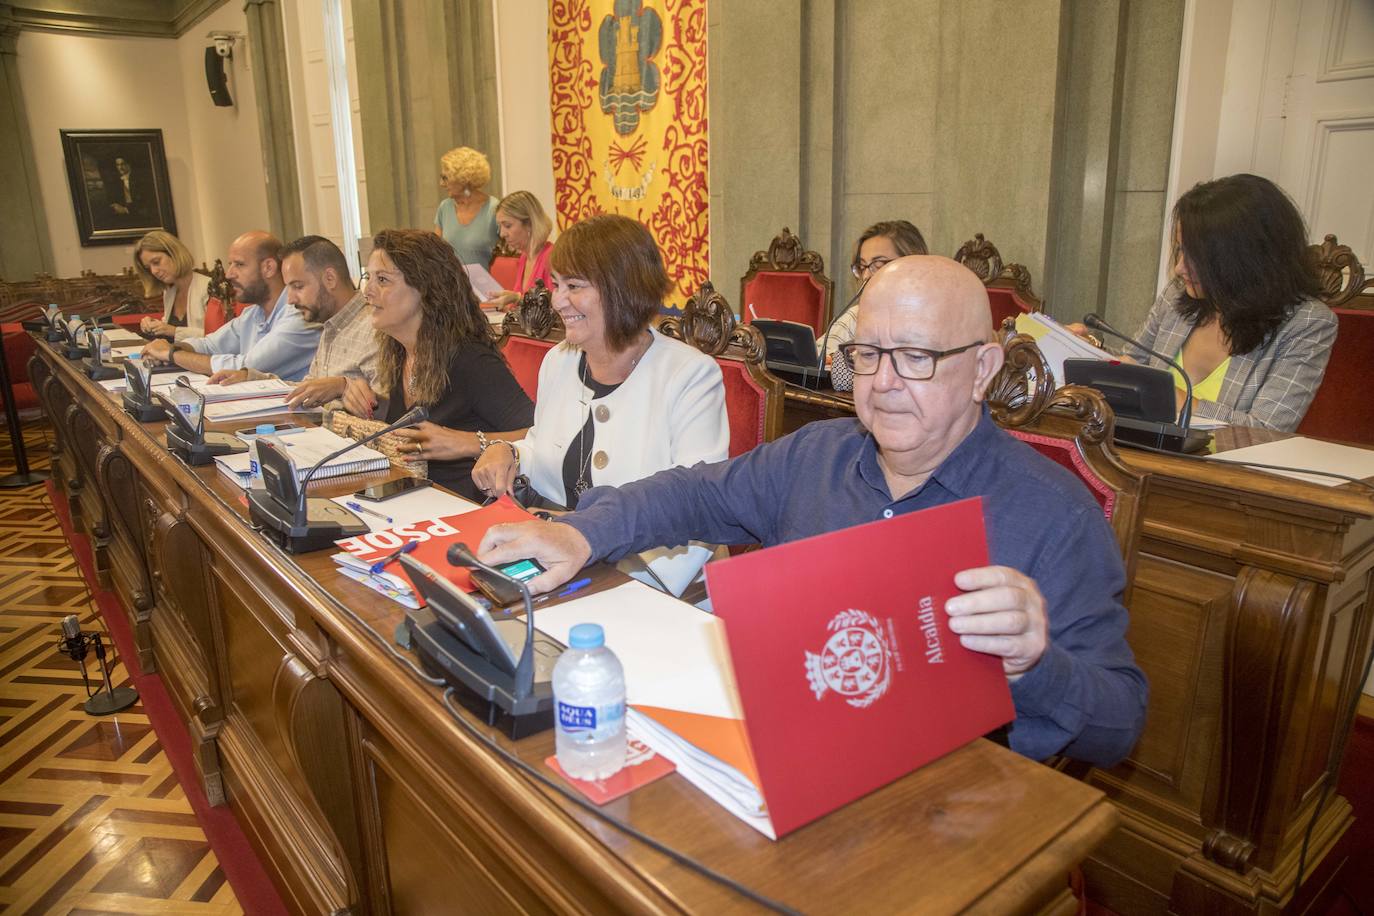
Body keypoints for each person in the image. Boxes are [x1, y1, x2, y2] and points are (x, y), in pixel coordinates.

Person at [479, 256, 1147, 767]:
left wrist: (1035, 662)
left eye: (915, 357)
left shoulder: (1054, 515)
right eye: (867, 355)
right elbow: (694, 493)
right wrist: (577, 530)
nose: (882, 383)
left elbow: (1119, 725)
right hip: (784, 753)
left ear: (982, 369)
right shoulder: (816, 457)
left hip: (939, 806)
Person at [471, 215, 729, 596]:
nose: (558, 301)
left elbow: (698, 508)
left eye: (573, 286)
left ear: (624, 289)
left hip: (657, 587)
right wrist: (507, 451)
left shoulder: (691, 375)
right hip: (563, 566)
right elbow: (543, 446)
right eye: (556, 284)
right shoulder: (558, 360)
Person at [1078, 174, 1335, 432]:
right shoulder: (1178, 295)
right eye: (1180, 250)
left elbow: (1266, 429)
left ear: (1247, 258)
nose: (1179, 269)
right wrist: (1084, 348)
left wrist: (1182, 401)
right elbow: (1134, 363)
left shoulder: (1307, 323)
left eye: (1197, 256)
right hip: (1142, 452)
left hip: (1221, 468)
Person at [357, 229, 533, 501]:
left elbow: (538, 435)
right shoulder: (400, 351)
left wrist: (465, 443)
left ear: (425, 288)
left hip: (467, 508)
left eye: (382, 280)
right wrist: (357, 395)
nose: (368, 292)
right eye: (368, 278)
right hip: (415, 501)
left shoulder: (470, 360)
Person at [206, 236, 379, 414]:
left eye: (298, 286)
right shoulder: (330, 325)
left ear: (330, 278)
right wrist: (250, 378)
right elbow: (307, 389)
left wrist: (342, 387)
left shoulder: (375, 329)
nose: (290, 299)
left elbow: (386, 416)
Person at [141, 231, 321, 382]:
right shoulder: (253, 313)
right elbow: (209, 345)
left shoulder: (300, 315)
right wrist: (168, 348)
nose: (229, 274)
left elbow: (247, 365)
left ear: (268, 267)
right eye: (230, 264)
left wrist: (171, 354)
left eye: (239, 265)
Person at [825, 220, 929, 391]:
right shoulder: (857, 314)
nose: (866, 275)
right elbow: (815, 359)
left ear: (912, 262)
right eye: (862, 266)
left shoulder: (932, 318)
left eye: (878, 265)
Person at [132, 230, 210, 342]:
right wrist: (154, 325)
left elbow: (218, 339)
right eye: (148, 268)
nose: (154, 271)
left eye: (156, 262)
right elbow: (170, 328)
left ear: (174, 253)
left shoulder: (209, 288)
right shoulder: (170, 291)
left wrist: (173, 331)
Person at [432, 146, 500, 269]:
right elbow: (435, 252)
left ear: (463, 178)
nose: (441, 184)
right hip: (451, 285)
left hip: (486, 286)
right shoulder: (445, 207)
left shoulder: (494, 208)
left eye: (445, 178)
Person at [487, 191, 554, 309]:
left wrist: (517, 298)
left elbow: (555, 307)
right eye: (500, 226)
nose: (502, 234)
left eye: (507, 226)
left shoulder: (552, 257)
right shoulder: (524, 257)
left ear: (529, 224)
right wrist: (510, 301)